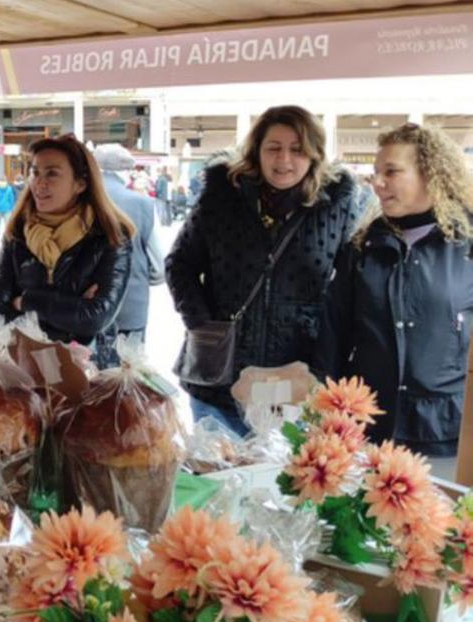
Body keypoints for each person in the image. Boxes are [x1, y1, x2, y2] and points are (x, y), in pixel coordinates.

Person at [167, 105, 363, 436]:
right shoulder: (221, 198)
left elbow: (348, 291)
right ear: (257, 150)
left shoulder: (336, 208)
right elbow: (179, 264)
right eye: (273, 148)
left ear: (314, 154)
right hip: (220, 377)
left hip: (294, 380)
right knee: (218, 480)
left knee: (285, 482)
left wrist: (327, 359)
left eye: (297, 149)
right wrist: (203, 325)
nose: (284, 160)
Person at [315, 124, 473, 474]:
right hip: (370, 432)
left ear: (430, 174)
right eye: (375, 173)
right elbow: (333, 337)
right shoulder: (361, 248)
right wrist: (328, 419)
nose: (377, 182)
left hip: (446, 435)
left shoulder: (467, 245)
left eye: (391, 171)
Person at [0, 135, 134, 357]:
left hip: (88, 366)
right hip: (26, 362)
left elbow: (94, 317)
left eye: (52, 173)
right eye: (35, 172)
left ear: (80, 184)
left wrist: (24, 301)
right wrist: (70, 307)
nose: (39, 183)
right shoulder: (18, 232)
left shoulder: (110, 236)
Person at [93, 144, 164, 363]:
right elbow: (159, 268)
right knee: (127, 385)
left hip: (83, 312)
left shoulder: (78, 202)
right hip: (130, 308)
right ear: (127, 170)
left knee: (87, 384)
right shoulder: (142, 203)